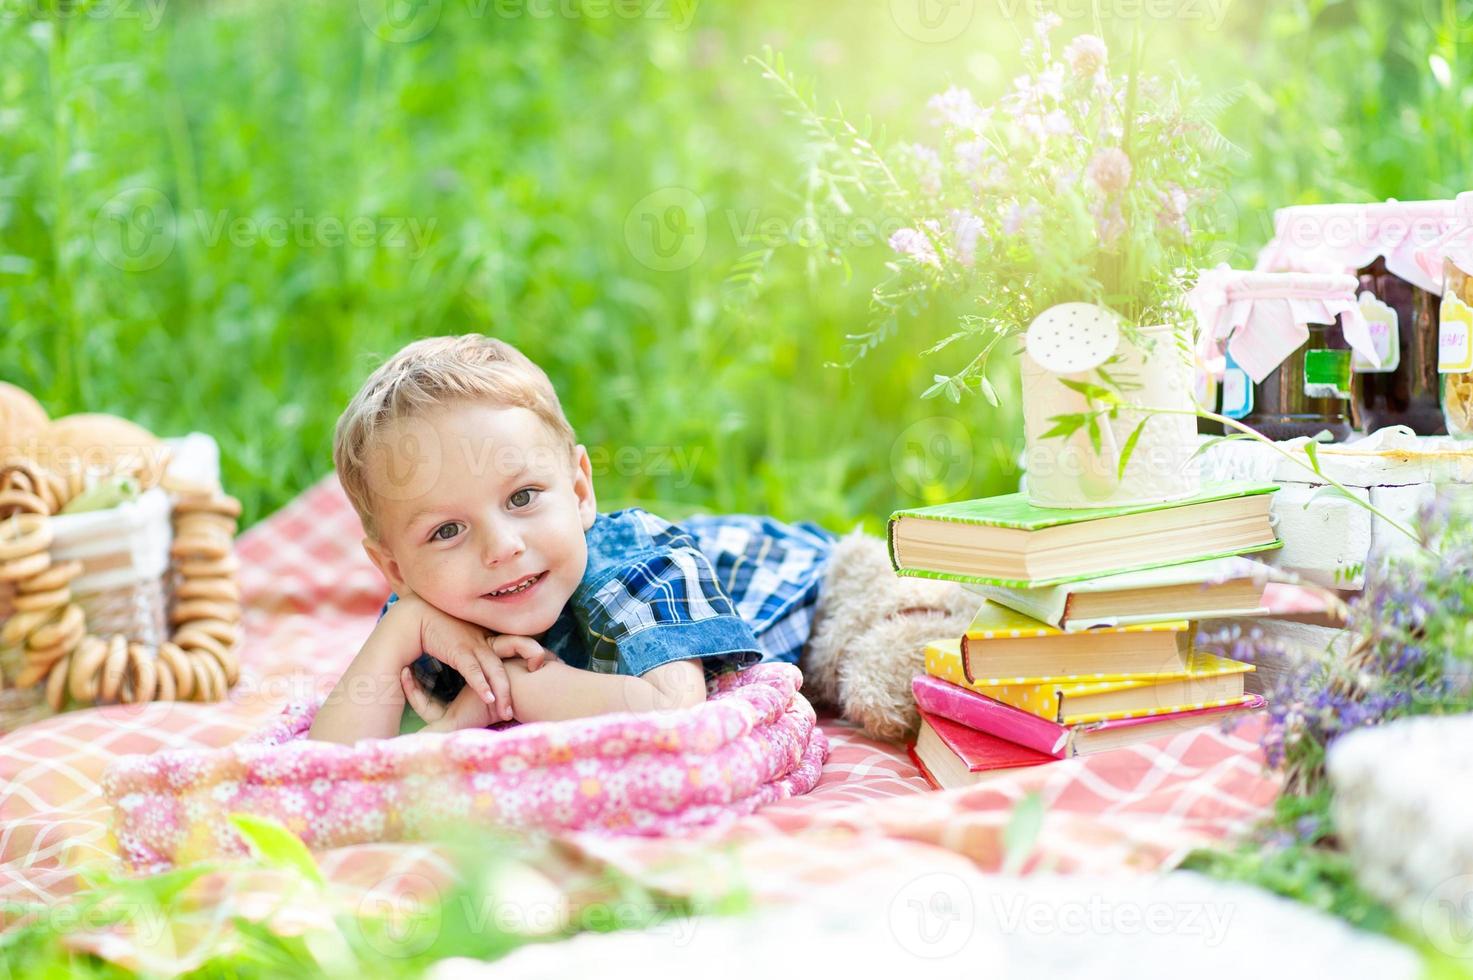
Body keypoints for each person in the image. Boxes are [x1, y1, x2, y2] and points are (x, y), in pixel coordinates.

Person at [307, 334, 973, 744]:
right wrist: (403, 629)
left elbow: (671, 711)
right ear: (395, 568)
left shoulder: (633, 568)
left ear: (578, 490)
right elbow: (329, 764)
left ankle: (960, 605)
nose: (502, 546)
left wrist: (500, 692)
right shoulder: (432, 611)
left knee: (888, 668)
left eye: (522, 498)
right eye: (446, 530)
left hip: (805, 586)